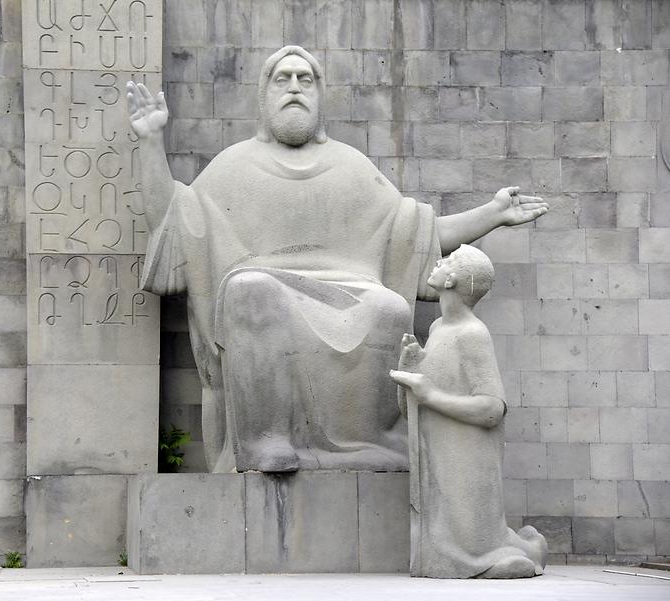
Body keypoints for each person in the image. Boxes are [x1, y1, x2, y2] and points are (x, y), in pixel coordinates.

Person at [126, 46, 548, 473]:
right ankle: (264, 440)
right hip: (262, 289)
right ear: (264, 95)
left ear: (319, 94)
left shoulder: (351, 167)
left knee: (389, 306)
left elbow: (416, 233)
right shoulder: (232, 167)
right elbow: (174, 225)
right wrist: (149, 141)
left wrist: (492, 214)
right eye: (283, 79)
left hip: (349, 290)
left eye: (304, 80)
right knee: (250, 291)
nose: (294, 87)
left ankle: (367, 443)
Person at [390, 245, 547, 578]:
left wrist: (430, 394)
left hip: (468, 460)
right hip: (440, 459)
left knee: (472, 541)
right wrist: (412, 366)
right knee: (449, 538)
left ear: (452, 281)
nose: (438, 261)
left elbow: (492, 408)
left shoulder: (473, 334)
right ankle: (517, 551)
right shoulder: (436, 331)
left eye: (447, 261)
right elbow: (412, 408)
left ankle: (519, 553)